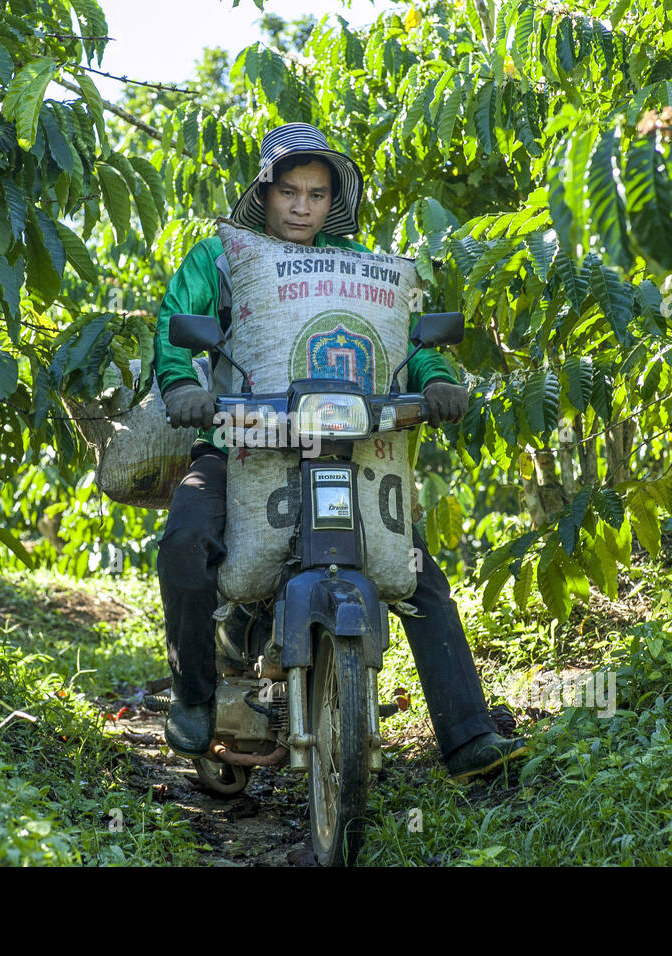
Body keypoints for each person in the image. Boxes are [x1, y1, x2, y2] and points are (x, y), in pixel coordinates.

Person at [152, 122, 527, 782]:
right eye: (290, 191)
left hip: (344, 440)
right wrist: (183, 387)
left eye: (318, 194)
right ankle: (194, 697)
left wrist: (436, 378)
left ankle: (468, 735)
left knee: (412, 566)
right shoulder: (217, 259)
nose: (302, 206)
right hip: (241, 442)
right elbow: (174, 335)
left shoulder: (359, 269)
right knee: (186, 538)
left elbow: (408, 332)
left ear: (334, 202)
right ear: (263, 195)